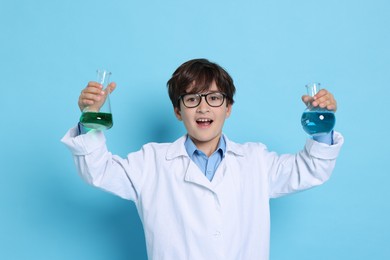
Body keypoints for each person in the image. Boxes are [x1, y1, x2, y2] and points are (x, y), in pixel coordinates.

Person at [61, 58, 344, 260]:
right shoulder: (151, 163)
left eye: (214, 98)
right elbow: (97, 171)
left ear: (229, 108)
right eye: (192, 99)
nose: (203, 107)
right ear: (177, 111)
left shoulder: (256, 160)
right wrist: (90, 119)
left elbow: (311, 169)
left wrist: (324, 126)